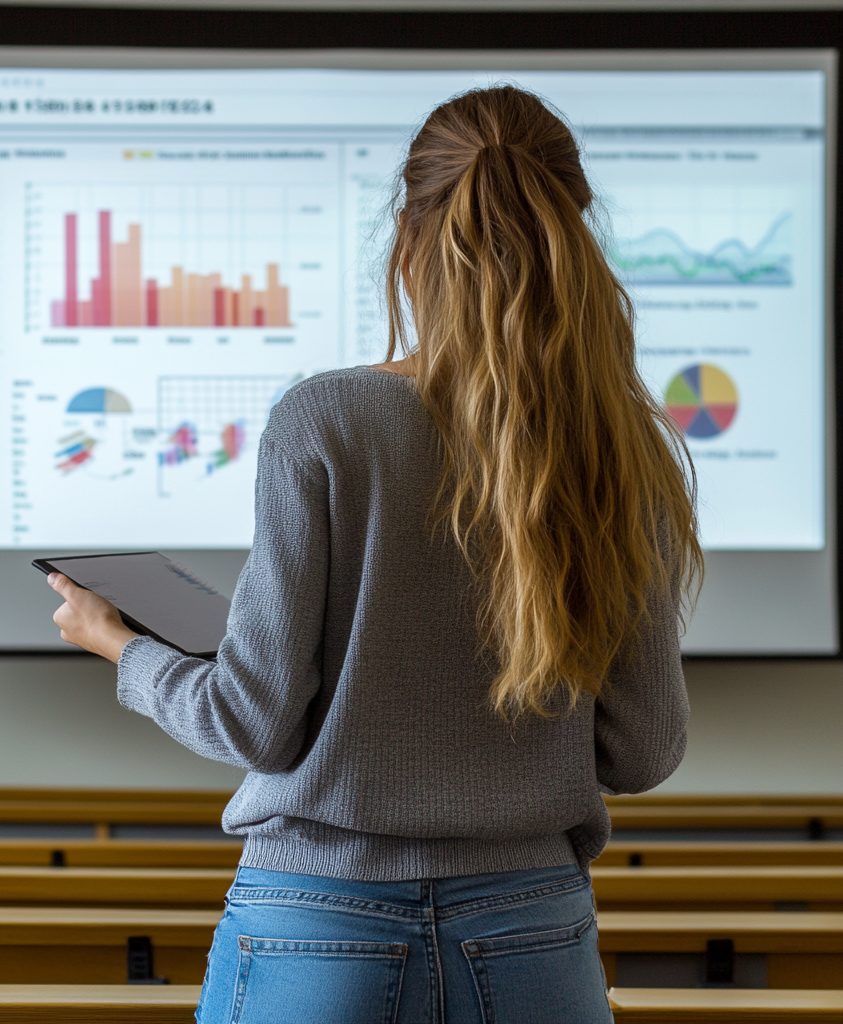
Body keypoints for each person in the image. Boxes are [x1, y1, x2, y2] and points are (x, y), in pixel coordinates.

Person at [47, 85, 701, 1024]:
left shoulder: (327, 419)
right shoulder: (616, 443)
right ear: (575, 226)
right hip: (531, 928)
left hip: (314, 923)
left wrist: (125, 649)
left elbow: (253, 725)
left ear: (409, 235)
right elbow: (643, 750)